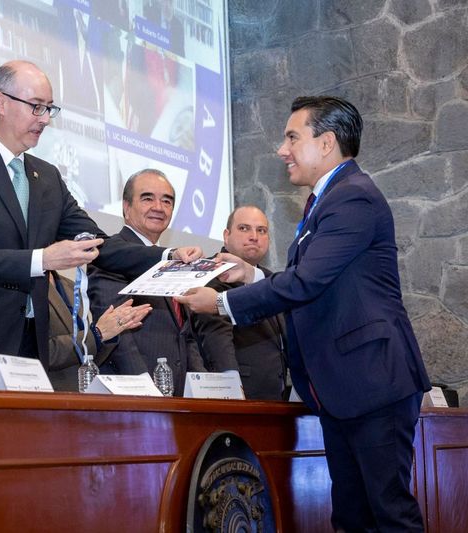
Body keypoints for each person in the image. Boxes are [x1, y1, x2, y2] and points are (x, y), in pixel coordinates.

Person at [176, 96, 430, 531]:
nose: (282, 150)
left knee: (389, 516)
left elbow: (306, 282)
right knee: (352, 517)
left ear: (326, 142)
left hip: (372, 381)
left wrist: (220, 302)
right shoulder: (330, 199)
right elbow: (313, 280)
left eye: (292, 137)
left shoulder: (353, 197)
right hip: (347, 388)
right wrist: (251, 275)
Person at [0, 60, 200, 384]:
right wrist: (43, 259)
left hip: (31, 349)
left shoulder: (47, 177)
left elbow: (99, 245)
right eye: (37, 107)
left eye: (50, 109)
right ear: (0, 102)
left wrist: (167, 256)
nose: (45, 119)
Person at [87, 169, 205, 395]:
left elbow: (184, 333)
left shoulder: (172, 259)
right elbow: (118, 330)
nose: (158, 207)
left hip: (178, 396)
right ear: (126, 207)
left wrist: (200, 387)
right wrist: (146, 390)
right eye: (147, 198)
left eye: (167, 201)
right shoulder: (111, 256)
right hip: (135, 396)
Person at [192, 206, 287, 400]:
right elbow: (216, 334)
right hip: (239, 395)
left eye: (261, 230)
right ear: (226, 236)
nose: (254, 237)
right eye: (244, 228)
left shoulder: (269, 279)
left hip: (278, 395)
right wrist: (231, 384)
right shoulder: (211, 273)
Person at [48, 271, 151, 391]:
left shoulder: (71, 286)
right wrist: (98, 333)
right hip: (46, 394)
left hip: (81, 394)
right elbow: (42, 353)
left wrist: (108, 334)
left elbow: (86, 355)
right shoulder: (30, 286)